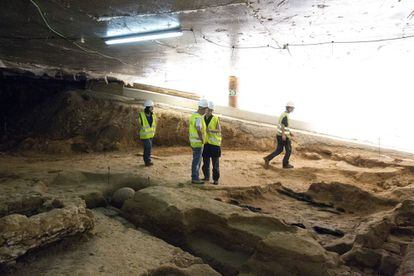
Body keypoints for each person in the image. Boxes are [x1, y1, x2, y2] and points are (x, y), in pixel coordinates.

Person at [264, 101, 295, 169]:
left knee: (279, 150)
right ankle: (285, 164)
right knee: (288, 150)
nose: (293, 109)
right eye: (292, 108)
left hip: (280, 135)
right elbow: (283, 125)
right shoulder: (285, 115)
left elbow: (284, 126)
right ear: (289, 108)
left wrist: (289, 132)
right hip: (283, 136)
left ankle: (267, 158)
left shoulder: (284, 114)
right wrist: (284, 134)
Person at [202, 101, 222, 185]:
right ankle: (206, 177)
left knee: (215, 165)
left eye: (210, 110)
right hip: (206, 144)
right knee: (205, 163)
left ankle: (215, 179)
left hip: (215, 145)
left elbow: (219, 130)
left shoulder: (215, 118)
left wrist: (210, 130)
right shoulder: (202, 118)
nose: (209, 111)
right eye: (208, 109)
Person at [189, 99, 208, 184]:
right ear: (202, 108)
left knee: (196, 160)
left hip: (193, 142)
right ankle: (195, 178)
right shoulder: (198, 118)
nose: (205, 111)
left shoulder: (194, 115)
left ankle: (195, 176)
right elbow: (198, 129)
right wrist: (202, 139)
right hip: (197, 143)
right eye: (205, 109)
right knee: (197, 161)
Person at [138, 99, 156, 166]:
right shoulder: (141, 115)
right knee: (148, 147)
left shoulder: (153, 115)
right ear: (148, 107)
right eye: (151, 107)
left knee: (148, 148)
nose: (153, 108)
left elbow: (153, 124)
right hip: (144, 135)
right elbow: (141, 123)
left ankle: (147, 161)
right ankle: (147, 161)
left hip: (150, 135)